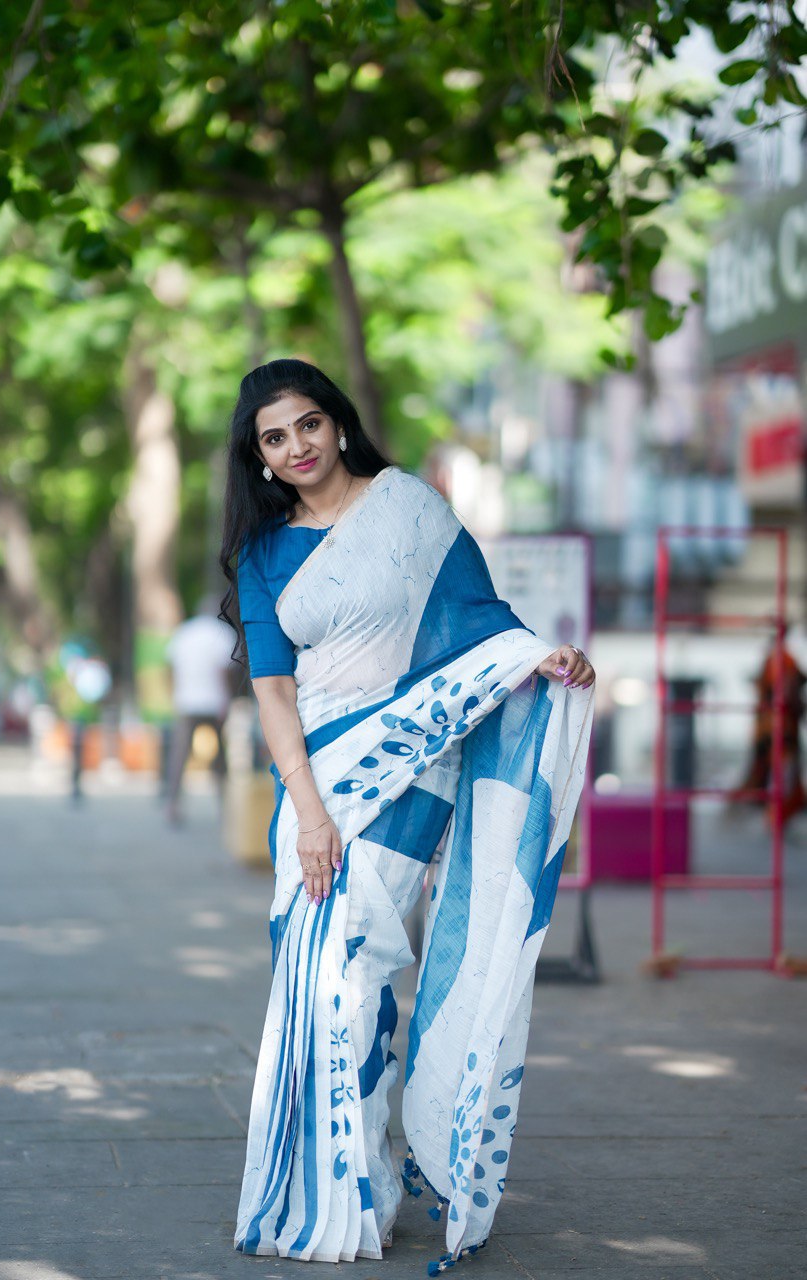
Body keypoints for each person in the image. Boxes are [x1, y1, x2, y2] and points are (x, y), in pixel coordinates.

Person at [219, 359, 596, 1274]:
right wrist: (309, 813)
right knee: (319, 983)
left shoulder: (410, 510)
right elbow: (274, 693)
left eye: (308, 424)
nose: (296, 447)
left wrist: (543, 661)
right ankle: (346, 1186)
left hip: (410, 770)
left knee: (358, 968)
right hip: (316, 784)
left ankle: (364, 1189)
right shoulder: (264, 554)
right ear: (259, 456)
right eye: (275, 437)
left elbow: (480, 625)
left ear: (337, 422)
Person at [164, 593, 237, 826]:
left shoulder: (184, 632)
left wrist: (174, 693)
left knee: (179, 755)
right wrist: (227, 700)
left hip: (186, 701)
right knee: (219, 756)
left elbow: (170, 666)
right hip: (214, 701)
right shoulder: (222, 633)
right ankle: (225, 807)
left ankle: (172, 805)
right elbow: (224, 671)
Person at [730, 626, 806, 825]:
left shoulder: (777, 659)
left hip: (771, 727)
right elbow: (788, 692)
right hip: (779, 728)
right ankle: (776, 815)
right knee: (782, 772)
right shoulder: (783, 660)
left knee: (776, 771)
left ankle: (777, 814)